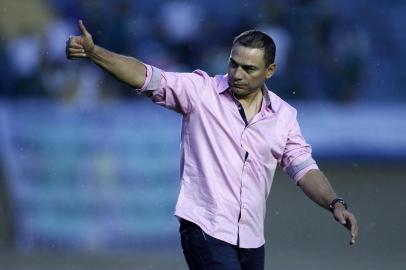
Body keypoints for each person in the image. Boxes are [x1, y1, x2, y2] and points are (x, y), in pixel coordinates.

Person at [66, 20, 358, 270]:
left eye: (248, 68)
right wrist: (95, 53)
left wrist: (334, 202)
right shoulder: (201, 92)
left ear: (270, 71)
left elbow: (303, 168)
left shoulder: (284, 117)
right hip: (205, 227)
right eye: (233, 63)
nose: (237, 73)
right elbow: (146, 77)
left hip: (252, 238)